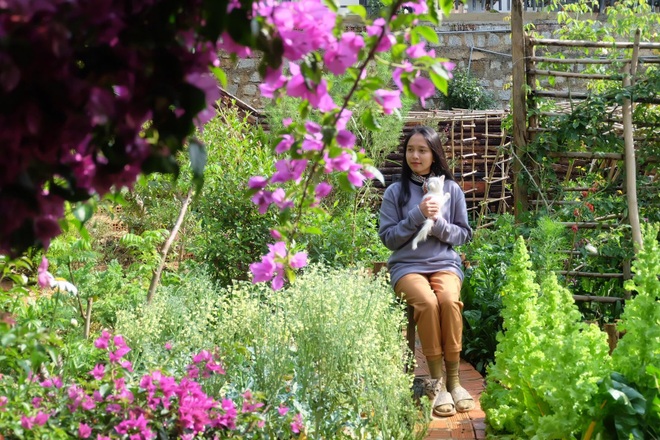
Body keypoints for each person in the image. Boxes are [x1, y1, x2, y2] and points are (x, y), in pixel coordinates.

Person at [378, 125, 474, 417]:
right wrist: (418, 214)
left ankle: (455, 382)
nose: (415, 156)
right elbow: (388, 238)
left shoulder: (452, 190)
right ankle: (438, 383)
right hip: (407, 267)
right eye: (410, 149)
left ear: (434, 154)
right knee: (427, 302)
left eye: (422, 150)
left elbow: (464, 234)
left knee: (447, 301)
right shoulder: (395, 192)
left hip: (445, 264)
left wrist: (437, 224)